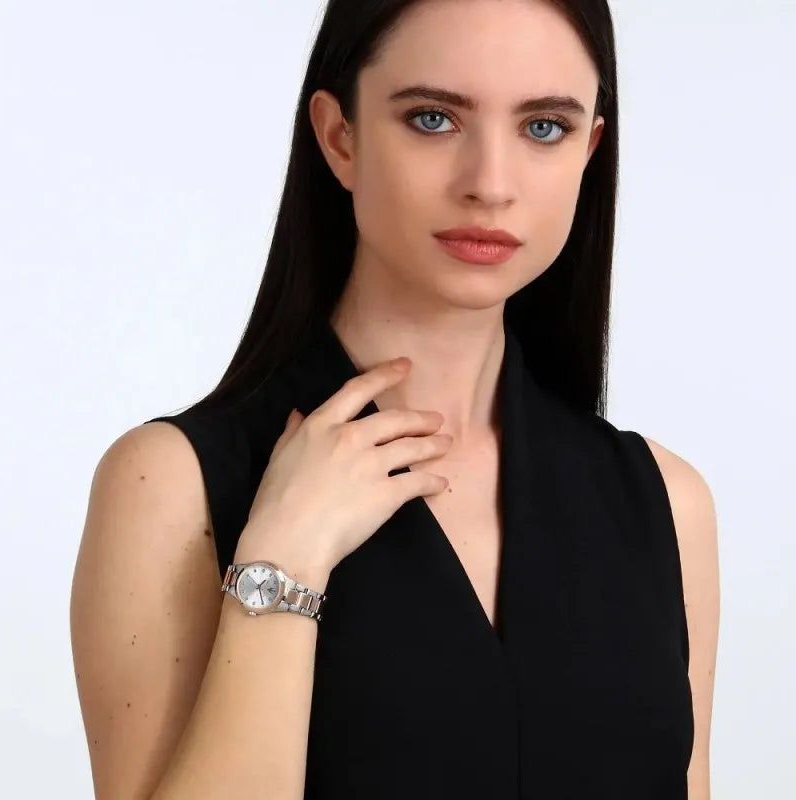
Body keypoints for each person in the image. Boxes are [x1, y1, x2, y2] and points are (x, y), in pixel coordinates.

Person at [70, 1, 720, 798]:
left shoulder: (667, 504)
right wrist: (281, 565)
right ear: (339, 137)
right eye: (433, 119)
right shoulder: (171, 487)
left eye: (544, 127)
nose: (490, 185)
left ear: (589, 149)